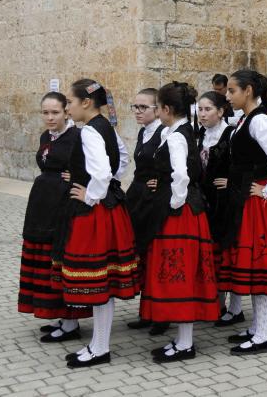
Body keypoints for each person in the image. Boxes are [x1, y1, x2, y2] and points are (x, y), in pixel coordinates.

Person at [54, 79, 140, 368]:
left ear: (86, 103)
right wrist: (108, 186)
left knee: (97, 279)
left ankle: (100, 348)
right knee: (104, 280)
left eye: (70, 102)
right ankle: (98, 344)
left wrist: (90, 195)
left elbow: (102, 172)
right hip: (111, 208)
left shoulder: (90, 130)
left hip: (95, 214)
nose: (68, 107)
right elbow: (122, 160)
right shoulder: (105, 125)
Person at [218, 70, 267, 355]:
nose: (227, 96)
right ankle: (256, 328)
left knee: (261, 269)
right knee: (253, 269)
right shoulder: (246, 119)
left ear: (248, 90)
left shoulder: (261, 121)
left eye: (232, 91)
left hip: (258, 204)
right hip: (245, 200)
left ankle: (263, 335)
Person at [142, 82, 219, 363]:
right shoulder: (181, 130)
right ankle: (182, 340)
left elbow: (182, 175)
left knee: (181, 275)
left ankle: (185, 344)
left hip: (180, 213)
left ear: (166, 109)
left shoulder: (176, 136)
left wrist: (174, 203)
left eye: (157, 108)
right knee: (184, 274)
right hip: (187, 209)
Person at [18, 92, 91, 341]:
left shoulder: (78, 137)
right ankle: (59, 316)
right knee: (43, 258)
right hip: (42, 204)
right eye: (45, 113)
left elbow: (100, 165)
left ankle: (71, 324)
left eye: (55, 112)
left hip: (63, 204)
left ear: (66, 112)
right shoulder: (45, 136)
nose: (50, 117)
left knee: (59, 258)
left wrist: (79, 178)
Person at [196, 91, 244, 327]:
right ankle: (216, 304)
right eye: (200, 109)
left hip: (226, 203)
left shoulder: (232, 134)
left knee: (228, 253)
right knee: (212, 254)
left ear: (221, 111)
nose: (202, 114)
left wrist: (232, 182)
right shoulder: (199, 136)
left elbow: (246, 166)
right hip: (206, 202)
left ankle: (235, 309)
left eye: (207, 109)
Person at [124, 88, 168, 335]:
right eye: (135, 107)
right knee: (142, 255)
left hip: (154, 201)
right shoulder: (144, 133)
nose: (138, 112)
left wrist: (160, 181)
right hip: (138, 198)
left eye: (144, 107)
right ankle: (146, 311)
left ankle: (160, 315)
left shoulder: (164, 133)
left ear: (158, 109)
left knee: (154, 256)